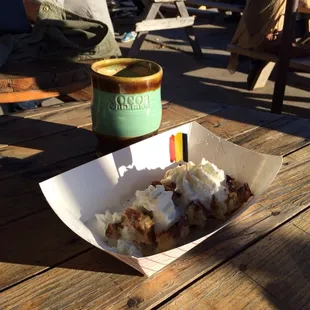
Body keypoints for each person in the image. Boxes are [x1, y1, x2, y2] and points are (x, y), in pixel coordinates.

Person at [228, 0, 310, 73]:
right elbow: (306, 4)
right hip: (264, 41)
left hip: (244, 37)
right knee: (300, 23)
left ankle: (256, 63)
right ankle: (258, 64)